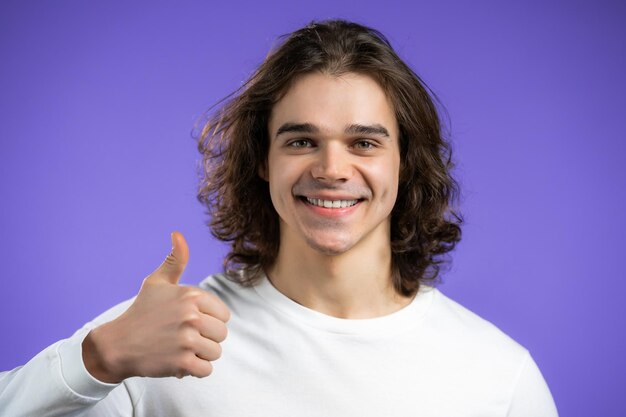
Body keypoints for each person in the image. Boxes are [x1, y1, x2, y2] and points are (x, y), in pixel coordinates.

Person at [0, 19, 558, 416]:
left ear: (406, 164)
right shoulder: (159, 339)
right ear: (262, 162)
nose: (332, 168)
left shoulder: (498, 377)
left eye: (364, 142)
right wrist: (97, 357)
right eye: (301, 141)